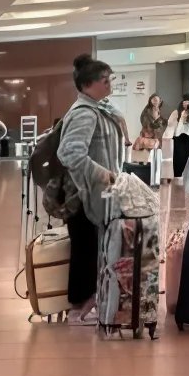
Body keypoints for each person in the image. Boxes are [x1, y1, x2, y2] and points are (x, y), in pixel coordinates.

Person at [58, 54, 124, 324]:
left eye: (110, 80)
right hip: (86, 196)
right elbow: (70, 153)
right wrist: (103, 174)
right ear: (88, 84)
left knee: (95, 249)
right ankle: (80, 307)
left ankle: (91, 303)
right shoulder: (84, 113)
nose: (109, 85)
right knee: (86, 251)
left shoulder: (100, 108)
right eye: (104, 81)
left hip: (99, 195)